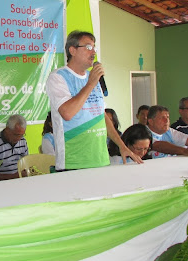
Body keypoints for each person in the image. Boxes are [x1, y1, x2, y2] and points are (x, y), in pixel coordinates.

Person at [45, 30, 141, 171]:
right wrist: (90, 83)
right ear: (72, 50)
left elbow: (101, 115)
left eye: (94, 47)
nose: (94, 52)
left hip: (100, 159)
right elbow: (67, 113)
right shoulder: (58, 77)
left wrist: (122, 146)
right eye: (88, 47)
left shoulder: (94, 78)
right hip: (74, 162)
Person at [0, 114, 29, 180]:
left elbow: (26, 161)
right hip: (1, 183)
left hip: (20, 179)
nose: (19, 138)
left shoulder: (22, 140)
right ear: (7, 130)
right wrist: (14, 176)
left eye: (22, 135)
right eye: (17, 135)